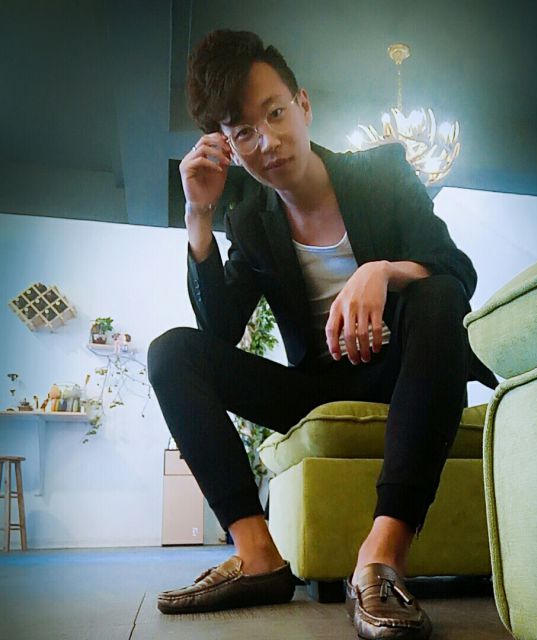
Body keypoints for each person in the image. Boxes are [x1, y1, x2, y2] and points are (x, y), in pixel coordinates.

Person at [148, 29, 497, 640]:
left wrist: (382, 271)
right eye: (244, 133)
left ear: (303, 105)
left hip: (405, 368)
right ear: (228, 147)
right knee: (172, 353)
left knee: (437, 294)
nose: (268, 141)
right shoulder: (250, 220)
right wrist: (199, 217)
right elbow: (219, 332)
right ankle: (257, 555)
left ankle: (382, 557)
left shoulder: (381, 173)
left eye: (275, 113)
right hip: (314, 387)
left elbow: (456, 271)